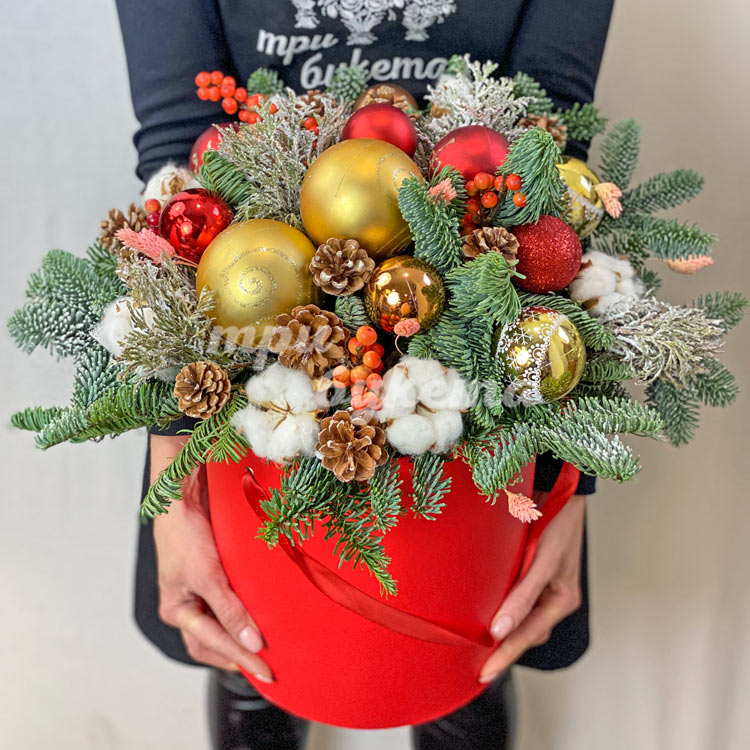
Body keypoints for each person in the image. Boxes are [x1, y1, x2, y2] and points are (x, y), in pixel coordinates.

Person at [116, 1, 614, 747]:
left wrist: (566, 474)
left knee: (468, 657)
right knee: (251, 645)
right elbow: (181, 154)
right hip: (245, 339)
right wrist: (174, 471)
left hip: (488, 349)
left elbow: (554, 155)